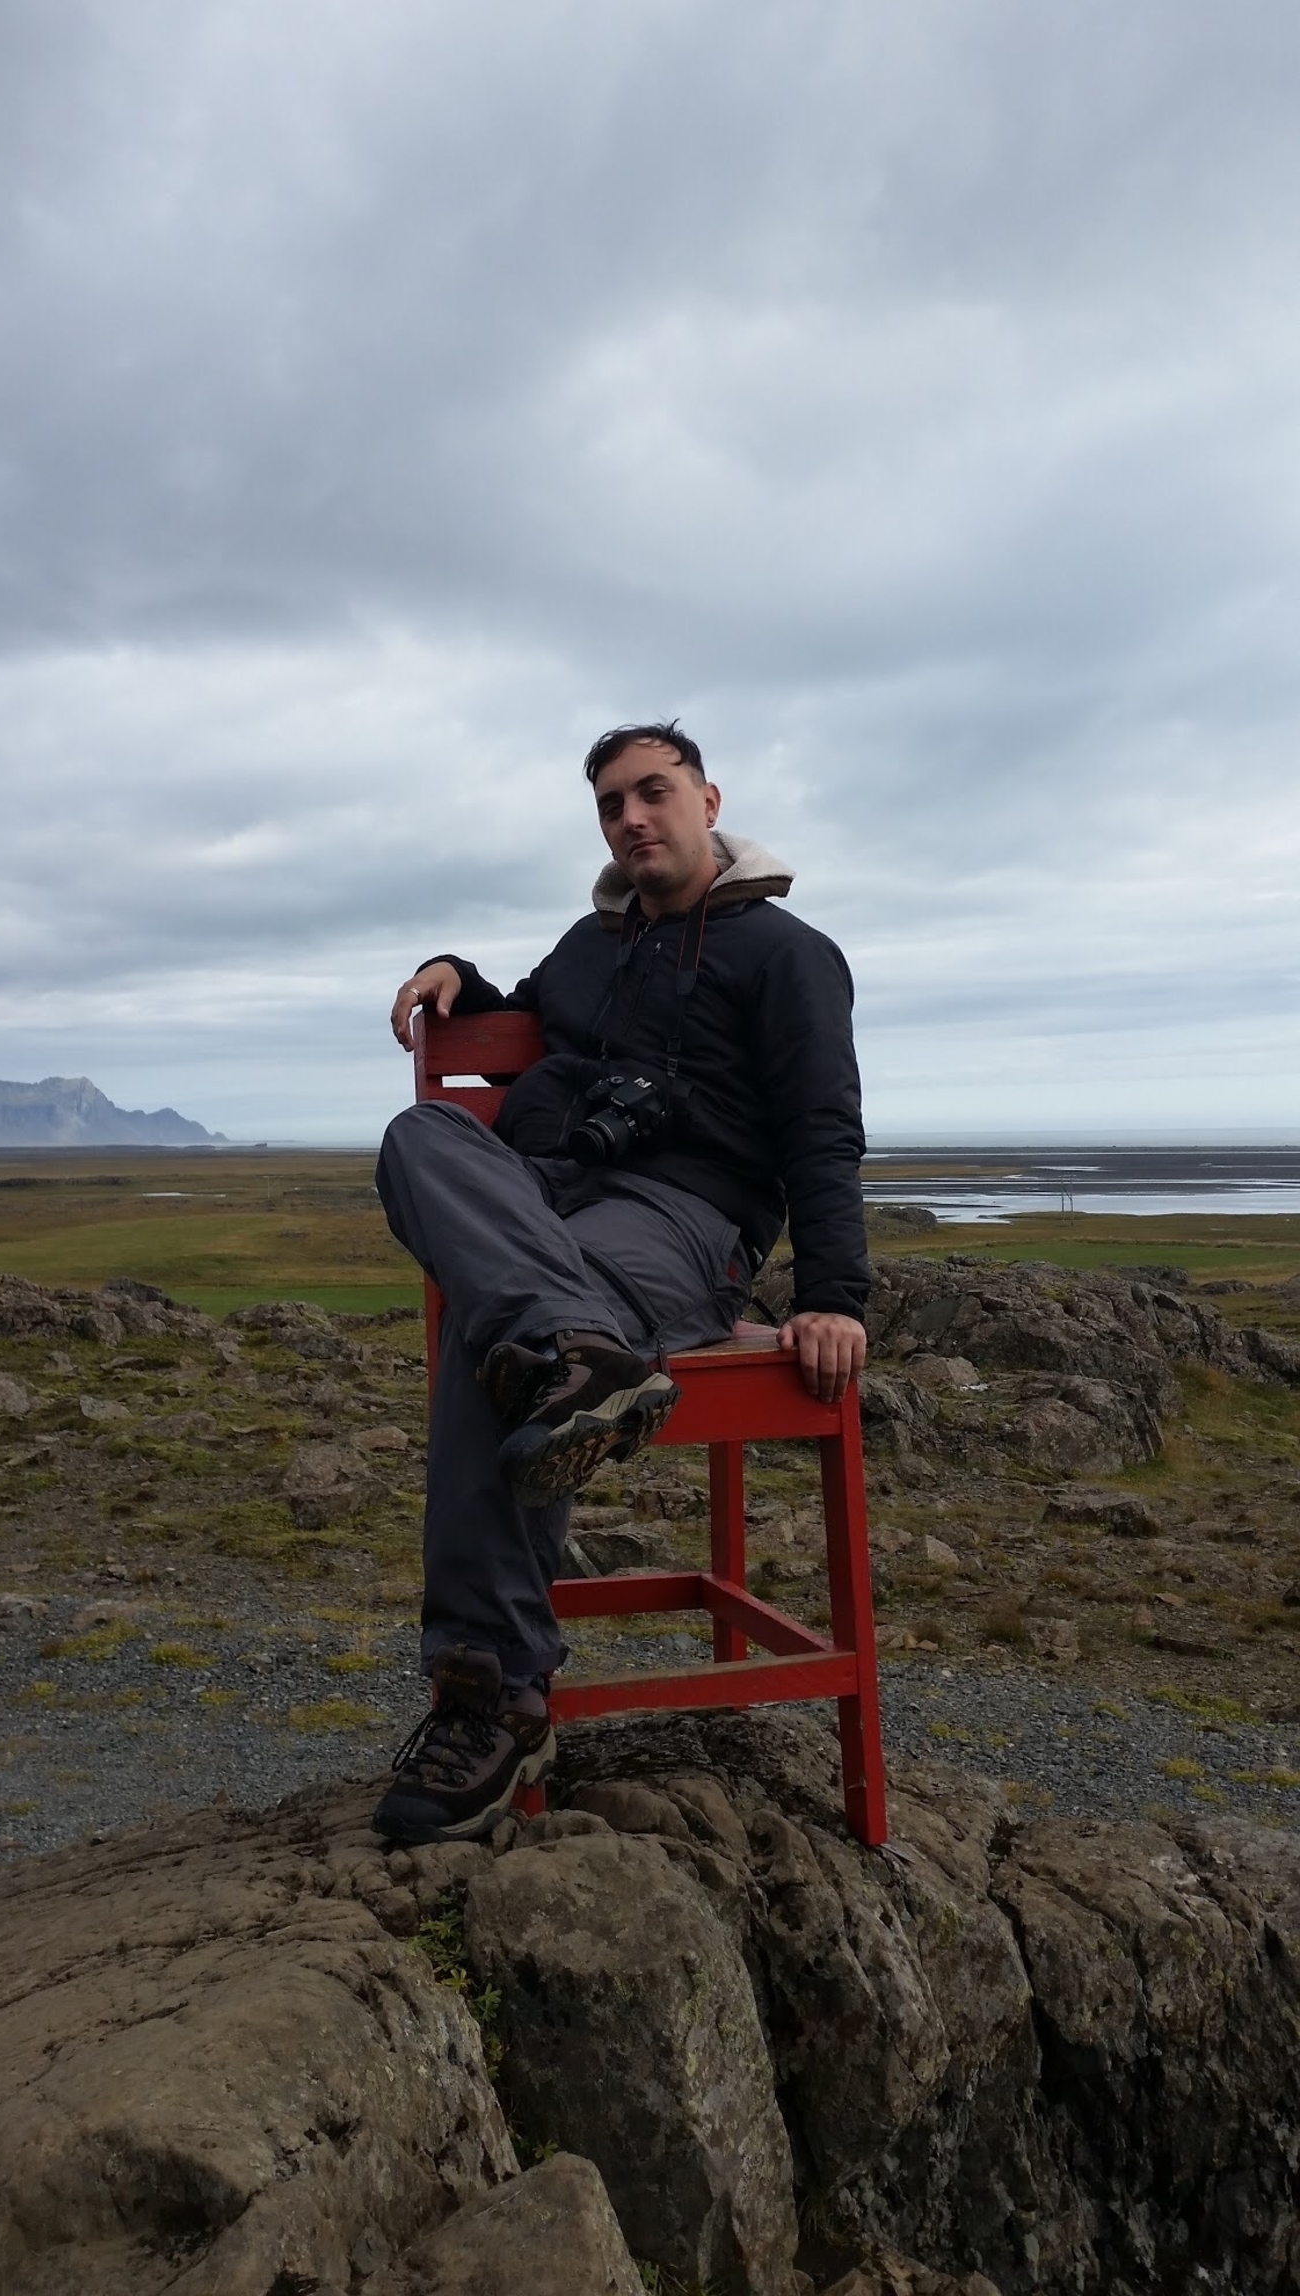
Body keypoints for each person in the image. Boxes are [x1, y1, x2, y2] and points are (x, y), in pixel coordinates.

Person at [371, 721, 868, 1841]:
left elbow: (823, 1129)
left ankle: (492, 1697)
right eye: (611, 804)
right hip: (550, 1197)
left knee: (495, 1340)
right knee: (419, 1137)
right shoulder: (590, 947)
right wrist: (461, 975)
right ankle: (575, 1356)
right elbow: (528, 1007)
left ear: (709, 801)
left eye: (654, 792)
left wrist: (834, 1294)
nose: (632, 818)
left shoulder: (786, 954)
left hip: (685, 1220)